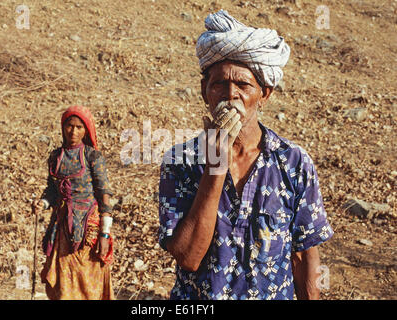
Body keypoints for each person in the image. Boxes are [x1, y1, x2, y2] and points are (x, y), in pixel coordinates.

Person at [158, 10, 333, 300]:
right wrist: (215, 169)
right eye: (219, 84)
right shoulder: (180, 161)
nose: (230, 94)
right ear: (205, 92)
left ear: (264, 94)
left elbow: (304, 257)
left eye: (243, 84)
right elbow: (188, 257)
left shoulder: (293, 162)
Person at [32, 105, 115, 300]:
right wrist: (42, 204)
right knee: (64, 283)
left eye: (79, 127)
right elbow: (52, 191)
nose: (73, 131)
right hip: (62, 228)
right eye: (70, 126)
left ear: (86, 130)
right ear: (63, 127)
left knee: (88, 281)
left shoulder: (92, 156)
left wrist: (104, 233)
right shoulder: (55, 157)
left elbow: (104, 194)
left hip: (88, 229)